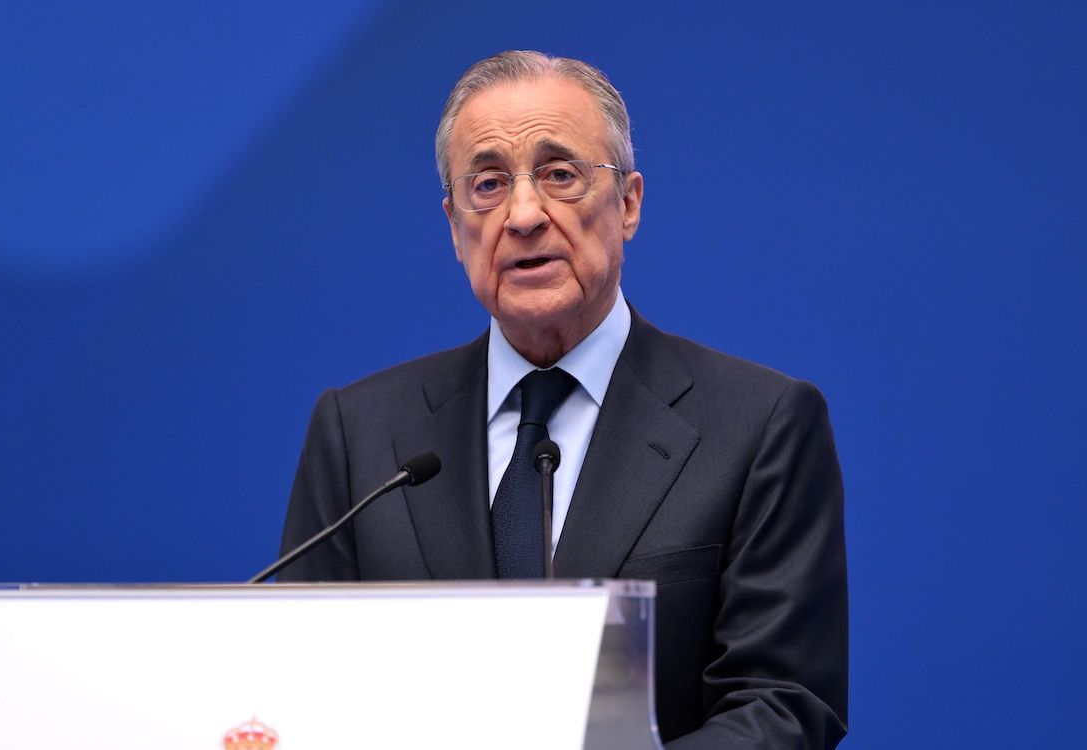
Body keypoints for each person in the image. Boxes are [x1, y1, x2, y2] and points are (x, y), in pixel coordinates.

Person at [278, 50, 848, 749]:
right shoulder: (359, 435)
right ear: (454, 226)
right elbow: (297, 692)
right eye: (488, 184)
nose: (523, 215)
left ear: (628, 204)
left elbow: (782, 706)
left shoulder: (759, 426)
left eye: (560, 175)